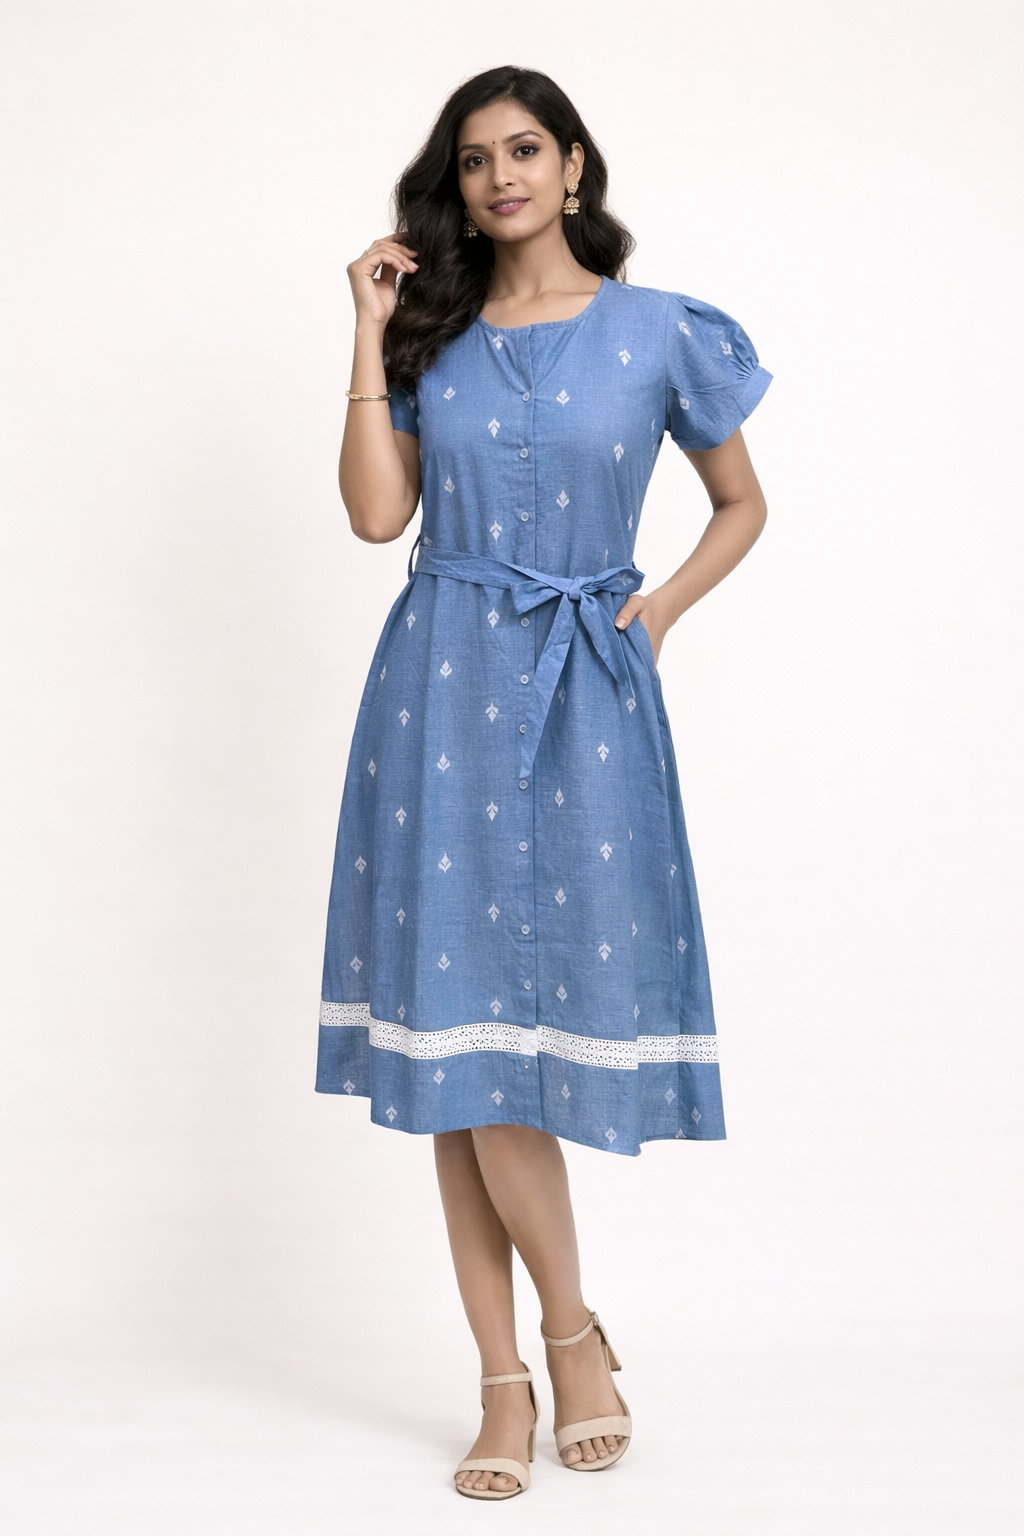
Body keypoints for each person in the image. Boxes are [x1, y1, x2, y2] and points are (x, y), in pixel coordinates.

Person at [316, 65, 771, 1500]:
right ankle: (527, 1367)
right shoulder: (432, 336)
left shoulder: (661, 330)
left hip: (586, 693)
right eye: (474, 159)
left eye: (525, 149)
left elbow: (742, 501)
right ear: (454, 188)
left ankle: (551, 1350)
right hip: (438, 689)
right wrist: (368, 330)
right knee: (457, 1052)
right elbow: (377, 515)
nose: (501, 175)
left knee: (513, 1046)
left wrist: (660, 610)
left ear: (574, 166)